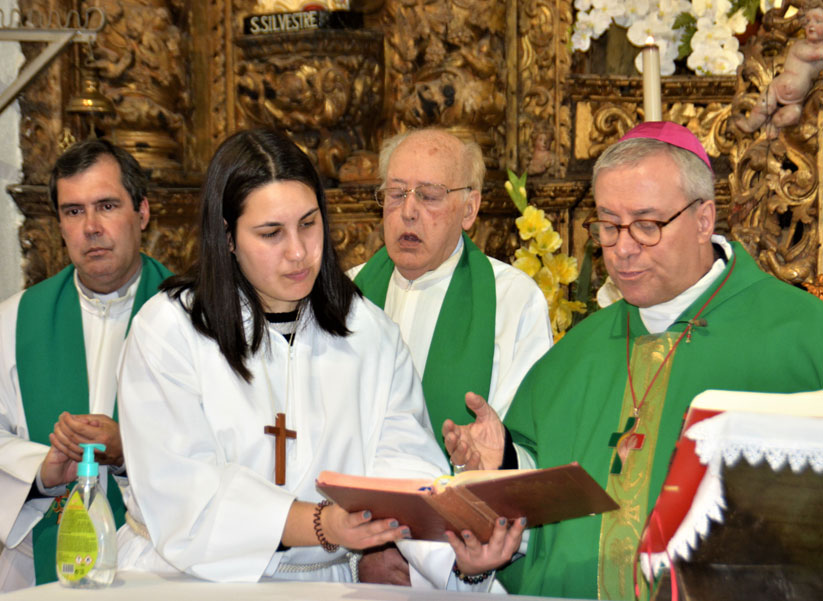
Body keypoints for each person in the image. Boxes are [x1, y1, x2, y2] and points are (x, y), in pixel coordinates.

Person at [115, 128, 524, 589]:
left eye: (308, 224)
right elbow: (182, 489)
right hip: (181, 580)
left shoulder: (367, 332)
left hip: (324, 582)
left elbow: (404, 466)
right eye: (271, 233)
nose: (297, 252)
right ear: (226, 236)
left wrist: (457, 554)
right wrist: (319, 523)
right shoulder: (172, 329)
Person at [443, 121, 823, 600]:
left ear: (704, 219)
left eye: (647, 225)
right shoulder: (575, 355)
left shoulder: (804, 334)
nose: (622, 248)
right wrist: (503, 465)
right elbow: (538, 517)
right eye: (607, 224)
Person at [0, 139, 172, 591]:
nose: (91, 227)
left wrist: (129, 453)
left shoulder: (196, 315)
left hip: (160, 560)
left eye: (107, 205)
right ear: (59, 223)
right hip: (41, 562)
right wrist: (40, 471)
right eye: (73, 211)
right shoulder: (15, 320)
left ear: (143, 213)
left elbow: (226, 445)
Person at [350, 128, 551, 457]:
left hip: (464, 504)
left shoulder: (512, 300)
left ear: (469, 209)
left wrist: (495, 455)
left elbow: (531, 439)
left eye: (428, 196)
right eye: (396, 193)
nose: (408, 211)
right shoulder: (346, 295)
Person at [736, 3, 823, 136]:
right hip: (777, 89)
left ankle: (774, 123)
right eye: (807, 21)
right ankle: (750, 125)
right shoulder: (801, 46)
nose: (811, 25)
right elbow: (815, 54)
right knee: (763, 107)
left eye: (817, 21)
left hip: (797, 101)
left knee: (793, 115)